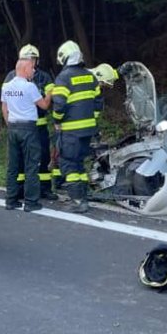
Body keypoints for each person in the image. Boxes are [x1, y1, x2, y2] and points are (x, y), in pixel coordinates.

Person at [3, 44, 56, 201]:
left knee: (44, 158)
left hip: (39, 127)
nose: (31, 62)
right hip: (24, 127)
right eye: (28, 59)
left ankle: (45, 188)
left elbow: (52, 99)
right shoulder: (11, 77)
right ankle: (20, 190)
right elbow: (5, 106)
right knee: (20, 160)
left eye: (33, 59)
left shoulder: (44, 77)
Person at [51, 41, 99, 213]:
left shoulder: (63, 78)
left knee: (68, 163)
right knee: (79, 164)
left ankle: (77, 202)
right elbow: (98, 103)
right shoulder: (91, 76)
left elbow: (59, 105)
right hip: (88, 131)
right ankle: (83, 198)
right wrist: (91, 122)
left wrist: (56, 121)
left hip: (71, 131)